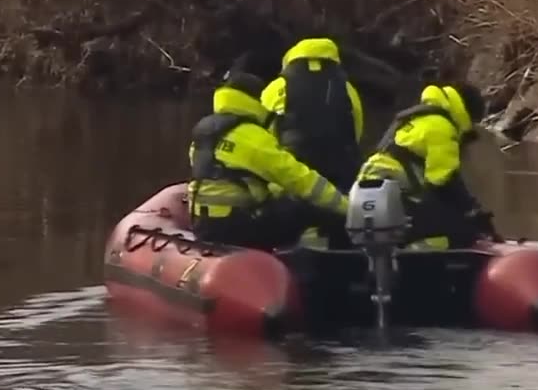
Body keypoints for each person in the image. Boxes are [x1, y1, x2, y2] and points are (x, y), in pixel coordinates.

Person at [187, 69, 350, 250]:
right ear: (255, 100)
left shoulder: (203, 131)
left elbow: (239, 175)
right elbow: (300, 178)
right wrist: (345, 207)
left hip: (202, 223)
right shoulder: (253, 137)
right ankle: (307, 269)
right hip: (234, 227)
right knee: (306, 210)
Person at [357, 82, 500, 249]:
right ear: (467, 114)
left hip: (364, 198)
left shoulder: (416, 118)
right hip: (394, 198)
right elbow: (443, 181)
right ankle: (417, 258)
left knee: (437, 215)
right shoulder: (442, 127)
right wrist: (473, 214)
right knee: (462, 232)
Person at [260, 37, 365, 192]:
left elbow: (263, 128)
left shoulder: (278, 86)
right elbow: (357, 125)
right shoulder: (347, 87)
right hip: (341, 170)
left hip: (294, 171)